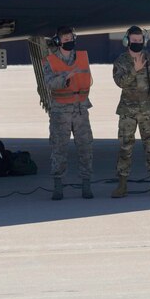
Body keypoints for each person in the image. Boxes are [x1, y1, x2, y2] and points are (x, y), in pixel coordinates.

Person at [111, 26, 150, 198]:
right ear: (127, 41)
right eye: (134, 40)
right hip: (127, 111)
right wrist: (134, 71)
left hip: (148, 111)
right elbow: (119, 82)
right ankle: (122, 184)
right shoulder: (120, 61)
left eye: (139, 40)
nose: (137, 43)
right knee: (125, 147)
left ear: (144, 41)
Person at [42, 26, 93, 200]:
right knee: (59, 149)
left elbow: (88, 79)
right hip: (60, 111)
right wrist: (66, 77)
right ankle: (58, 186)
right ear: (58, 42)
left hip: (80, 109)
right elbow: (49, 83)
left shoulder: (82, 57)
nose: (69, 41)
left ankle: (86, 184)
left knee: (85, 147)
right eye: (65, 39)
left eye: (71, 38)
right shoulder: (49, 61)